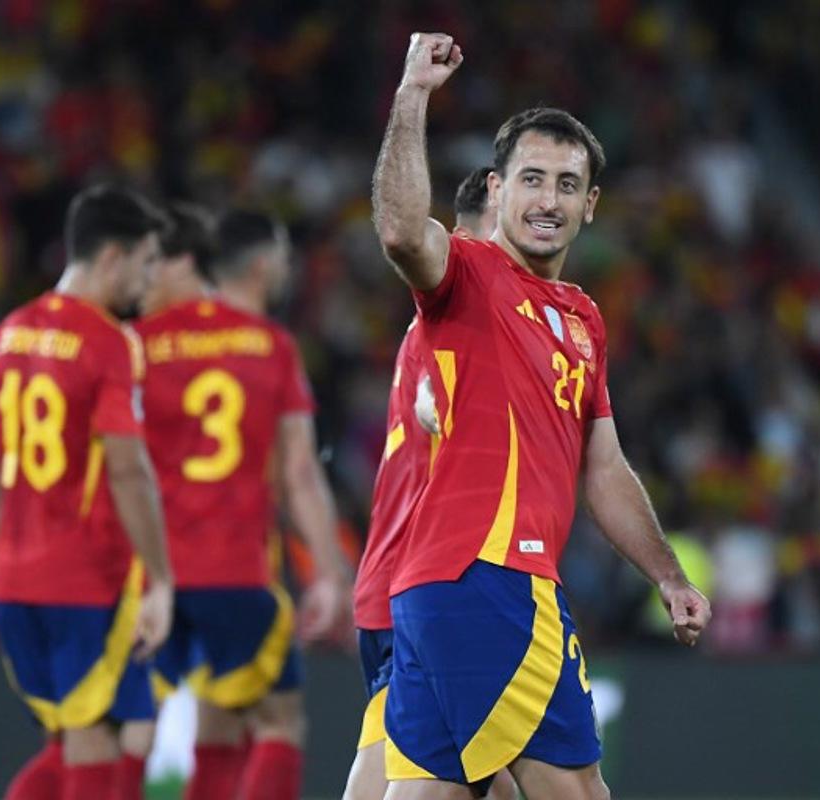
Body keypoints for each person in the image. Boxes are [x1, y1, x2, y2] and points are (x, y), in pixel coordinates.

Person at [371, 33, 712, 799]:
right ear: (496, 190)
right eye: (531, 180)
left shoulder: (583, 318)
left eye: (566, 184)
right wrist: (412, 94)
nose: (547, 201)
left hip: (439, 590)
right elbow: (399, 233)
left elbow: (605, 466)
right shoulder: (470, 274)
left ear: (590, 205)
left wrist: (667, 574)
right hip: (493, 577)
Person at [132, 207, 352, 800]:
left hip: (149, 575)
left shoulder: (145, 342)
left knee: (148, 729)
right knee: (277, 722)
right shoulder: (271, 347)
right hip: (235, 570)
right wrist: (329, 575)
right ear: (261, 266)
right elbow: (300, 473)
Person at [0, 185, 174, 800]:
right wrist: (160, 580)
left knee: (118, 730)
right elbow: (127, 468)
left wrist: (8, 545)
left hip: (16, 579)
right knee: (92, 743)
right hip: (86, 578)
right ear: (112, 257)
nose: (145, 284)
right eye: (143, 265)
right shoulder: (109, 342)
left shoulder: (7, 334)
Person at [343, 166, 512, 800]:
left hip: (394, 583)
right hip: (430, 586)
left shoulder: (427, 328)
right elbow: (432, 398)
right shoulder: (460, 307)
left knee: (437, 776)